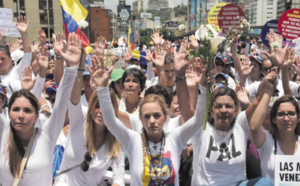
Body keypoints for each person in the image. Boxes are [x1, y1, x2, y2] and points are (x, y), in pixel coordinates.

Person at [88, 49, 208, 185]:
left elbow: (198, 121)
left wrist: (202, 88)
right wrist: (102, 89)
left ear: (165, 117)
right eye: (147, 116)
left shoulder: (175, 138)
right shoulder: (132, 141)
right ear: (140, 119)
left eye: (157, 115)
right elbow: (110, 121)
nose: (152, 121)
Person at [0, 32, 81, 185]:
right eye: (15, 109)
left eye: (28, 110)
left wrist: (71, 68)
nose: (21, 115)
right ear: (8, 113)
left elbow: (62, 101)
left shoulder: (47, 134)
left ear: (37, 116)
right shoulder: (3, 131)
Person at [54, 60, 124, 185]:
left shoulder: (115, 141)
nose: (101, 111)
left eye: (106, 107)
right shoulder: (78, 122)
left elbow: (119, 178)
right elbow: (74, 98)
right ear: (90, 108)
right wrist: (79, 67)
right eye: (97, 106)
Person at [190, 79, 273, 185]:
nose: (223, 110)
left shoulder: (240, 125)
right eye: (219, 106)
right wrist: (199, 84)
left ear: (236, 109)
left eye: (228, 106)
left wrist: (268, 83)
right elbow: (190, 109)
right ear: (211, 110)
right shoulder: (201, 130)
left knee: (265, 182)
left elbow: (258, 99)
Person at [249, 70, 300, 182]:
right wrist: (268, 91)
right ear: (273, 119)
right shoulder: (267, 142)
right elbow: (254, 127)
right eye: (281, 114)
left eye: (291, 113)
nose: (286, 119)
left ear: (298, 118)